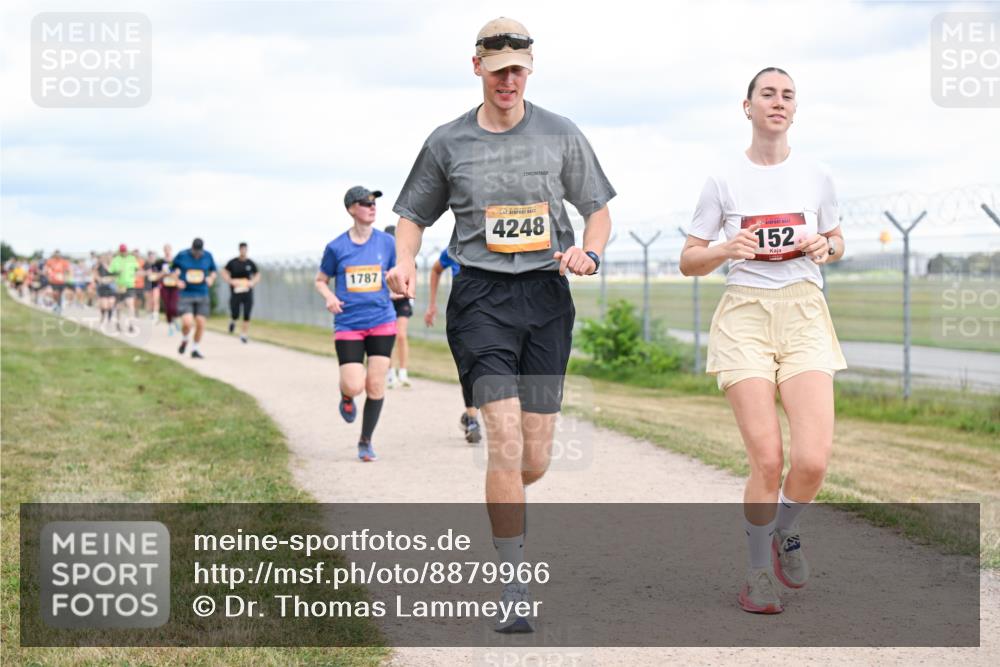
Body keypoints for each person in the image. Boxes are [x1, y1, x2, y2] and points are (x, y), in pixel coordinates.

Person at [386, 17, 614, 633]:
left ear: (530, 68)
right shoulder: (447, 142)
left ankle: (512, 495)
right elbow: (412, 214)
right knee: (505, 442)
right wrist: (404, 260)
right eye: (498, 68)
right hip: (481, 298)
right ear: (477, 66)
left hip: (546, 297)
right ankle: (513, 586)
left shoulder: (561, 134)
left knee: (533, 458)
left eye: (518, 69)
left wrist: (589, 251)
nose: (508, 79)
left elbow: (597, 210)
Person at [679, 67, 847, 615]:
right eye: (767, 94)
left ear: (795, 110)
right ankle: (756, 575)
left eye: (787, 95)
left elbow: (838, 238)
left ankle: (786, 531)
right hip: (745, 316)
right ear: (747, 107)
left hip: (803, 312)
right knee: (768, 458)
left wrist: (827, 245)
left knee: (814, 460)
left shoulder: (818, 174)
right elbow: (689, 260)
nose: (778, 102)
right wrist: (729, 249)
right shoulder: (723, 179)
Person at [315, 186, 396, 463]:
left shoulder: (387, 243)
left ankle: (365, 441)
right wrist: (329, 297)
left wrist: (398, 287)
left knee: (375, 385)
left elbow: (397, 274)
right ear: (351, 208)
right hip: (349, 323)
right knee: (355, 385)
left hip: (382, 320)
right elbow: (320, 280)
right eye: (365, 203)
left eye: (374, 203)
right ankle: (346, 395)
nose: (372, 206)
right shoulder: (336, 247)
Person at [425, 247, 482, 444]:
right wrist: (432, 305)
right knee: (469, 365)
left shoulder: (496, 244)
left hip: (493, 311)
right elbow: (435, 270)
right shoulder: (452, 250)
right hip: (463, 313)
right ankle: (472, 417)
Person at [170, 238, 218, 359]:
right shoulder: (182, 255)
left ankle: (195, 349)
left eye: (199, 252)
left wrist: (211, 278)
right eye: (195, 252)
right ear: (192, 248)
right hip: (186, 293)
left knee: (201, 323)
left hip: (202, 293)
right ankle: (185, 339)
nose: (197, 254)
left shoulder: (208, 256)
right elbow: (172, 269)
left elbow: (213, 271)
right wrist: (177, 280)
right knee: (187, 323)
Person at [382, 225, 413, 388]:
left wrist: (400, 293)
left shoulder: (404, 257)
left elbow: (410, 283)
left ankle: (403, 373)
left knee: (401, 335)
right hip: (387, 301)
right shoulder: (381, 259)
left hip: (402, 300)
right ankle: (390, 374)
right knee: (389, 336)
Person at [222, 242, 260, 344]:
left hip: (247, 291)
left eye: (245, 249)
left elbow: (257, 274)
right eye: (242, 249)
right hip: (236, 292)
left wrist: (253, 282)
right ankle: (233, 321)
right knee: (236, 313)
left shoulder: (250, 263)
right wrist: (230, 281)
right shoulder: (233, 262)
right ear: (239, 250)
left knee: (247, 313)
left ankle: (244, 334)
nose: (243, 251)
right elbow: (224, 272)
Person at [108, 243, 140, 334]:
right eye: (122, 251)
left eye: (125, 251)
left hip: (130, 285)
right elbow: (110, 272)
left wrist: (134, 275)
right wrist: (117, 272)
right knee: (120, 306)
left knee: (130, 304)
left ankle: (131, 324)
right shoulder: (116, 260)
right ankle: (118, 322)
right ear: (119, 251)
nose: (124, 252)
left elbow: (136, 269)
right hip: (120, 286)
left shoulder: (132, 258)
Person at [156, 244, 180, 334]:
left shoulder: (176, 261)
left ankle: (176, 320)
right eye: (165, 249)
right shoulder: (160, 262)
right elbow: (156, 276)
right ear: (163, 251)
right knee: (168, 307)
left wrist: (172, 274)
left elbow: (178, 273)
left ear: (171, 250)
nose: (167, 251)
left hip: (174, 286)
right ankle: (170, 325)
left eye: (168, 249)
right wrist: (163, 273)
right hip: (164, 286)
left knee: (173, 306)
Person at [94, 253, 117, 325]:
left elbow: (116, 276)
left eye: (111, 257)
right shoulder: (100, 266)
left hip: (111, 287)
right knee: (104, 306)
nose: (110, 259)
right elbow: (95, 274)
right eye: (108, 257)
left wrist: (109, 279)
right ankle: (103, 315)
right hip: (102, 288)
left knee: (111, 303)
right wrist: (100, 279)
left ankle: (109, 319)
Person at [144, 250, 161, 321]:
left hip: (156, 284)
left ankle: (156, 315)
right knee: (149, 300)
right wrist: (146, 272)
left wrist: (158, 275)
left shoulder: (158, 264)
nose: (152, 257)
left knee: (155, 299)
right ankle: (150, 314)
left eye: (153, 256)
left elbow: (162, 273)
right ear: (148, 257)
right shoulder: (145, 264)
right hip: (147, 284)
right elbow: (139, 272)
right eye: (150, 256)